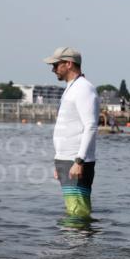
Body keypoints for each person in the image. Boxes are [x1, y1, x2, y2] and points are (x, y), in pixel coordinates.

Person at [45, 47, 98, 219]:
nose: (53, 69)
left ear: (68, 64)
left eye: (55, 65)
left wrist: (79, 161)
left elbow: (90, 125)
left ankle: (79, 245)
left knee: (78, 213)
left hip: (76, 161)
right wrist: (59, 161)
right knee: (72, 211)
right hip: (66, 160)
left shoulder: (84, 89)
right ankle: (71, 245)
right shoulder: (71, 88)